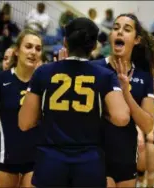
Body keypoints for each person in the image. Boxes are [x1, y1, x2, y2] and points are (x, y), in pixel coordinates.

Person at [18, 17, 130, 187]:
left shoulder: (43, 72)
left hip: (50, 161)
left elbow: (24, 123)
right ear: (93, 46)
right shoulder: (105, 76)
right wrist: (102, 112)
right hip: (88, 162)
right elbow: (121, 118)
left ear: (65, 42)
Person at [91, 13, 154, 187]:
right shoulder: (94, 68)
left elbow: (147, 125)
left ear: (136, 40)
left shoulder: (143, 76)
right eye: (115, 28)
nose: (120, 32)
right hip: (96, 154)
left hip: (126, 158)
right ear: (110, 35)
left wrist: (126, 92)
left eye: (126, 29)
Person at [0, 29, 43, 188]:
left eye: (38, 48)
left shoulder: (45, 83)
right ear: (17, 51)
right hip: (6, 159)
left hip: (35, 160)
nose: (33, 52)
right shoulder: (1, 80)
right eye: (28, 46)